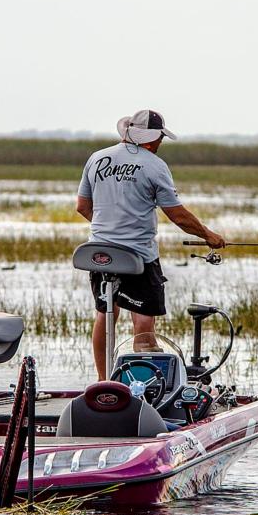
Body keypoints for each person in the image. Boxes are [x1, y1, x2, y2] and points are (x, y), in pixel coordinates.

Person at [76, 109, 226, 381]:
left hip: (99, 253)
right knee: (143, 322)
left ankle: (102, 381)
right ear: (152, 138)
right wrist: (209, 235)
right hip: (137, 256)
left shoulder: (96, 159)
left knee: (104, 313)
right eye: (160, 138)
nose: (160, 143)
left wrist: (109, 229)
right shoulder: (155, 165)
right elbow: (177, 215)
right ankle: (141, 388)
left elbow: (83, 207)